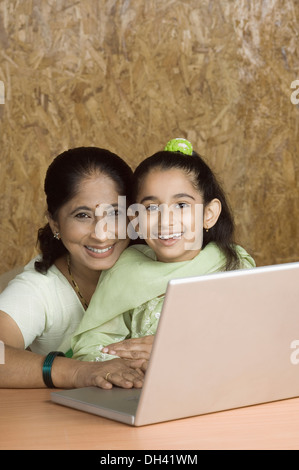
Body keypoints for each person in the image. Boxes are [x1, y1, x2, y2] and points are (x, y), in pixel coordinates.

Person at [71, 138, 255, 362]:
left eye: (181, 205)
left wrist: (171, 350)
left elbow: (253, 344)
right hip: (138, 392)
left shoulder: (234, 266)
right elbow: (92, 347)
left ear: (209, 214)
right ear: (135, 220)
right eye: (151, 208)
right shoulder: (126, 269)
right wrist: (130, 367)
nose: (165, 221)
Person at [0, 146, 146, 389]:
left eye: (115, 213)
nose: (102, 234)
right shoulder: (40, 288)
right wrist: (79, 372)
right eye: (82, 215)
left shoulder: (158, 265)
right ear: (55, 222)